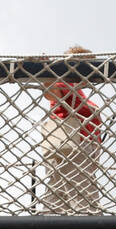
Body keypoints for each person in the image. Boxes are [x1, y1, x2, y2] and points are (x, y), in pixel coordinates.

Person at [40, 46, 101, 215]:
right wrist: (47, 75)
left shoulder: (74, 87)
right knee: (82, 197)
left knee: (58, 195)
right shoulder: (66, 81)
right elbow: (51, 92)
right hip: (74, 148)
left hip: (71, 148)